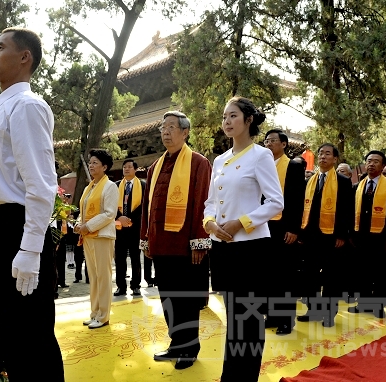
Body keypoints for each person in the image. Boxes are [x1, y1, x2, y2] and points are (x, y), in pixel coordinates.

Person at [0, 27, 63, 381]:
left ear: (24, 57)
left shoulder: (27, 107)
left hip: (19, 227)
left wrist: (30, 248)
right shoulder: (0, 108)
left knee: (33, 334)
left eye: (1, 47)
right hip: (0, 227)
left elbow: (41, 185)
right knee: (12, 333)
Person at [204, 98, 283, 381]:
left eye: (233, 116)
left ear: (248, 120)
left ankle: (244, 377)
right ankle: (231, 376)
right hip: (223, 246)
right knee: (233, 316)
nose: (226, 121)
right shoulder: (220, 160)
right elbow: (211, 202)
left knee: (248, 319)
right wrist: (210, 222)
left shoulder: (260, 155)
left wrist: (242, 222)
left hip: (250, 247)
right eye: (224, 116)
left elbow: (276, 203)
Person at [140, 110, 211, 370]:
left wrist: (199, 242)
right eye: (163, 127)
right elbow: (148, 207)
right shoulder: (154, 167)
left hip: (185, 246)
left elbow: (203, 204)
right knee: (168, 297)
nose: (165, 132)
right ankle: (175, 343)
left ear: (185, 132)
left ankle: (189, 349)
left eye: (171, 127)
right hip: (161, 245)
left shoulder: (198, 162)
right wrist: (146, 239)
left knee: (186, 299)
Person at [297, 143, 353, 327]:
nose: (323, 157)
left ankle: (329, 314)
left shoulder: (343, 182)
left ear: (335, 158)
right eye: (320, 153)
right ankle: (313, 311)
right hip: (311, 236)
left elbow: (347, 211)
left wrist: (342, 236)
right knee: (309, 275)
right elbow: (302, 209)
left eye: (327, 154)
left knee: (331, 277)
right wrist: (301, 233)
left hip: (332, 237)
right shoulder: (310, 181)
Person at [348, 151, 386, 318]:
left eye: (376, 162)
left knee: (380, 273)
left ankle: (378, 305)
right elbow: (351, 213)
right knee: (361, 272)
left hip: (381, 237)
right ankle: (363, 303)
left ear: (383, 165)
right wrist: (351, 234)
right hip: (360, 237)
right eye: (369, 161)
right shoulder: (357, 187)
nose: (371, 164)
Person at [263, 129, 305, 335]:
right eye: (266, 141)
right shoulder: (262, 165)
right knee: (268, 274)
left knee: (285, 275)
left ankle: (286, 320)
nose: (268, 144)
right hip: (264, 226)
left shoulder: (294, 166)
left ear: (284, 144)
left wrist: (293, 228)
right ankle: (271, 316)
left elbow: (297, 200)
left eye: (272, 141)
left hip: (284, 226)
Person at [74, 149, 119, 329]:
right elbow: (83, 210)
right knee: (93, 276)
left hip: (102, 236)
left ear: (104, 167)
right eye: (90, 162)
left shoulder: (110, 187)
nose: (91, 166)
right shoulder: (89, 187)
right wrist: (78, 224)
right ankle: (94, 313)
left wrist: (88, 226)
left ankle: (103, 315)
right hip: (88, 236)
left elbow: (109, 214)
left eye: (95, 163)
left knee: (103, 276)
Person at [114, 159, 146, 296]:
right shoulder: (115, 186)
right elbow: (110, 205)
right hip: (119, 228)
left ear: (135, 169)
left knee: (135, 258)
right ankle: (121, 286)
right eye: (124, 167)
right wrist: (119, 217)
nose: (126, 169)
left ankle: (136, 285)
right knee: (119, 259)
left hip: (135, 228)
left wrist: (131, 219)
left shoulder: (143, 186)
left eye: (129, 167)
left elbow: (145, 206)